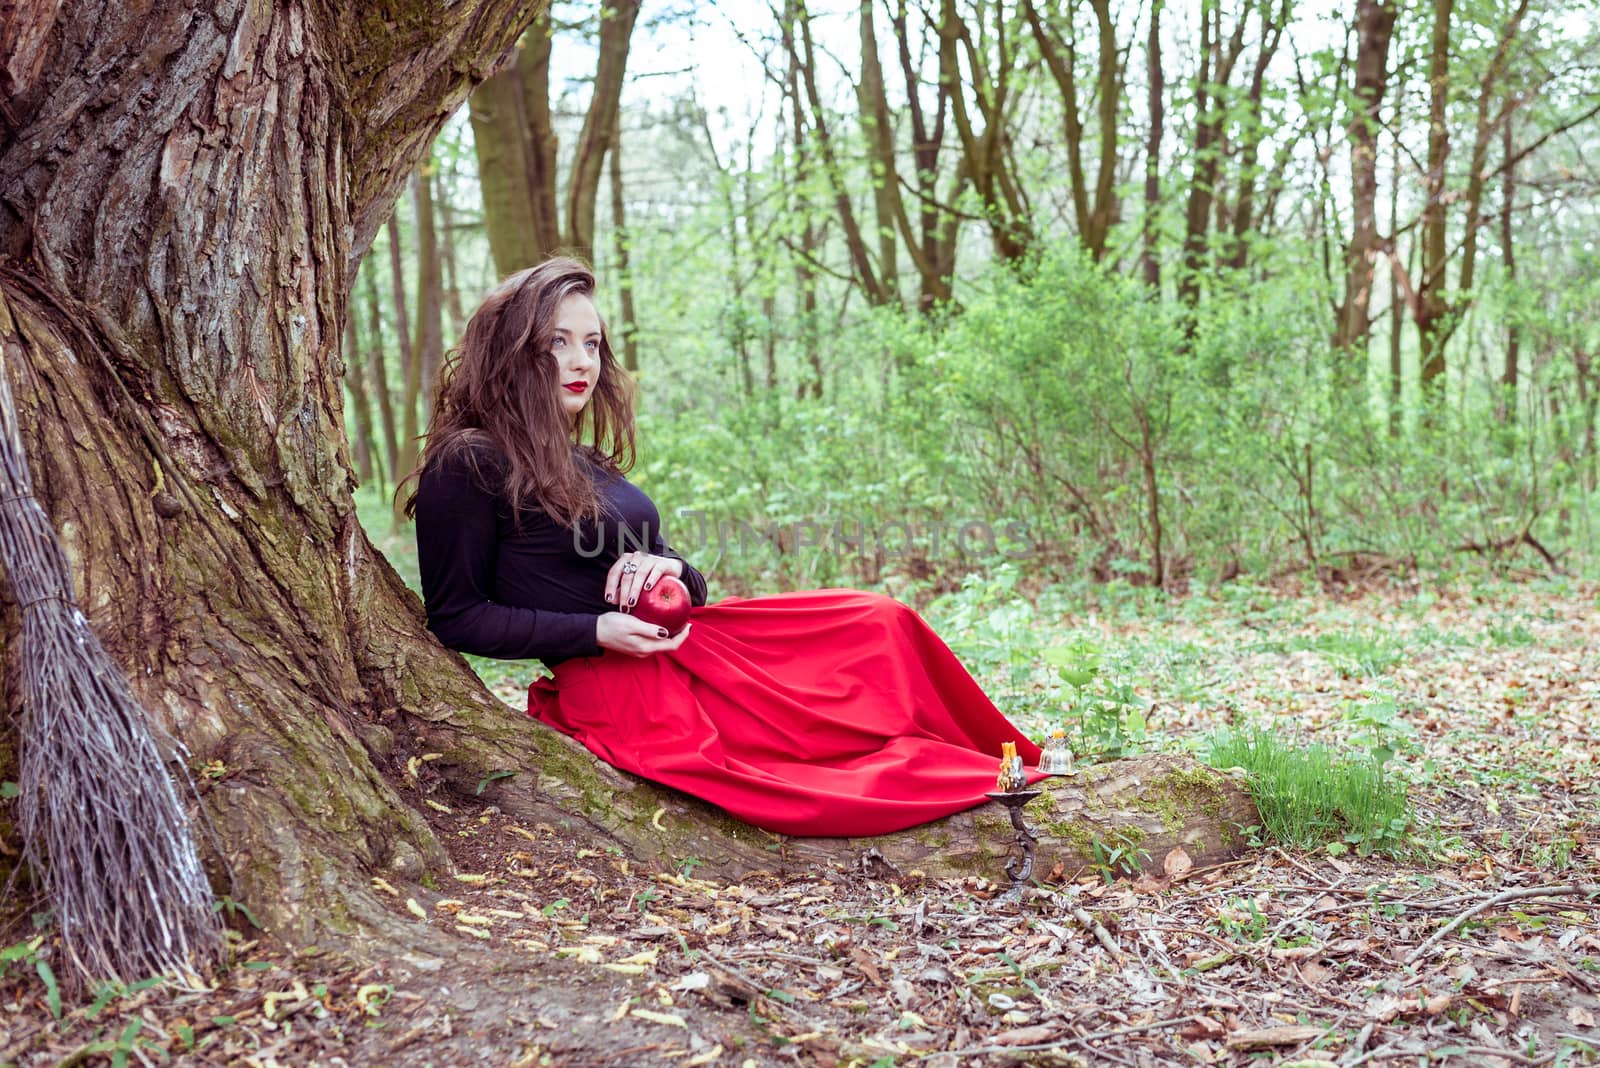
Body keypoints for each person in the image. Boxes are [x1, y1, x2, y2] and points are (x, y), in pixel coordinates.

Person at [406, 256, 1040, 838]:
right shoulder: (468, 462)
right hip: (622, 680)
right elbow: (458, 616)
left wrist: (669, 567)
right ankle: (954, 773)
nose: (582, 362)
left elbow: (678, 571)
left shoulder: (581, 458)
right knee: (805, 774)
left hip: (691, 639)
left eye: (592, 343)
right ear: (511, 351)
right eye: (557, 343)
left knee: (880, 621)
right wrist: (595, 631)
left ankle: (1005, 756)